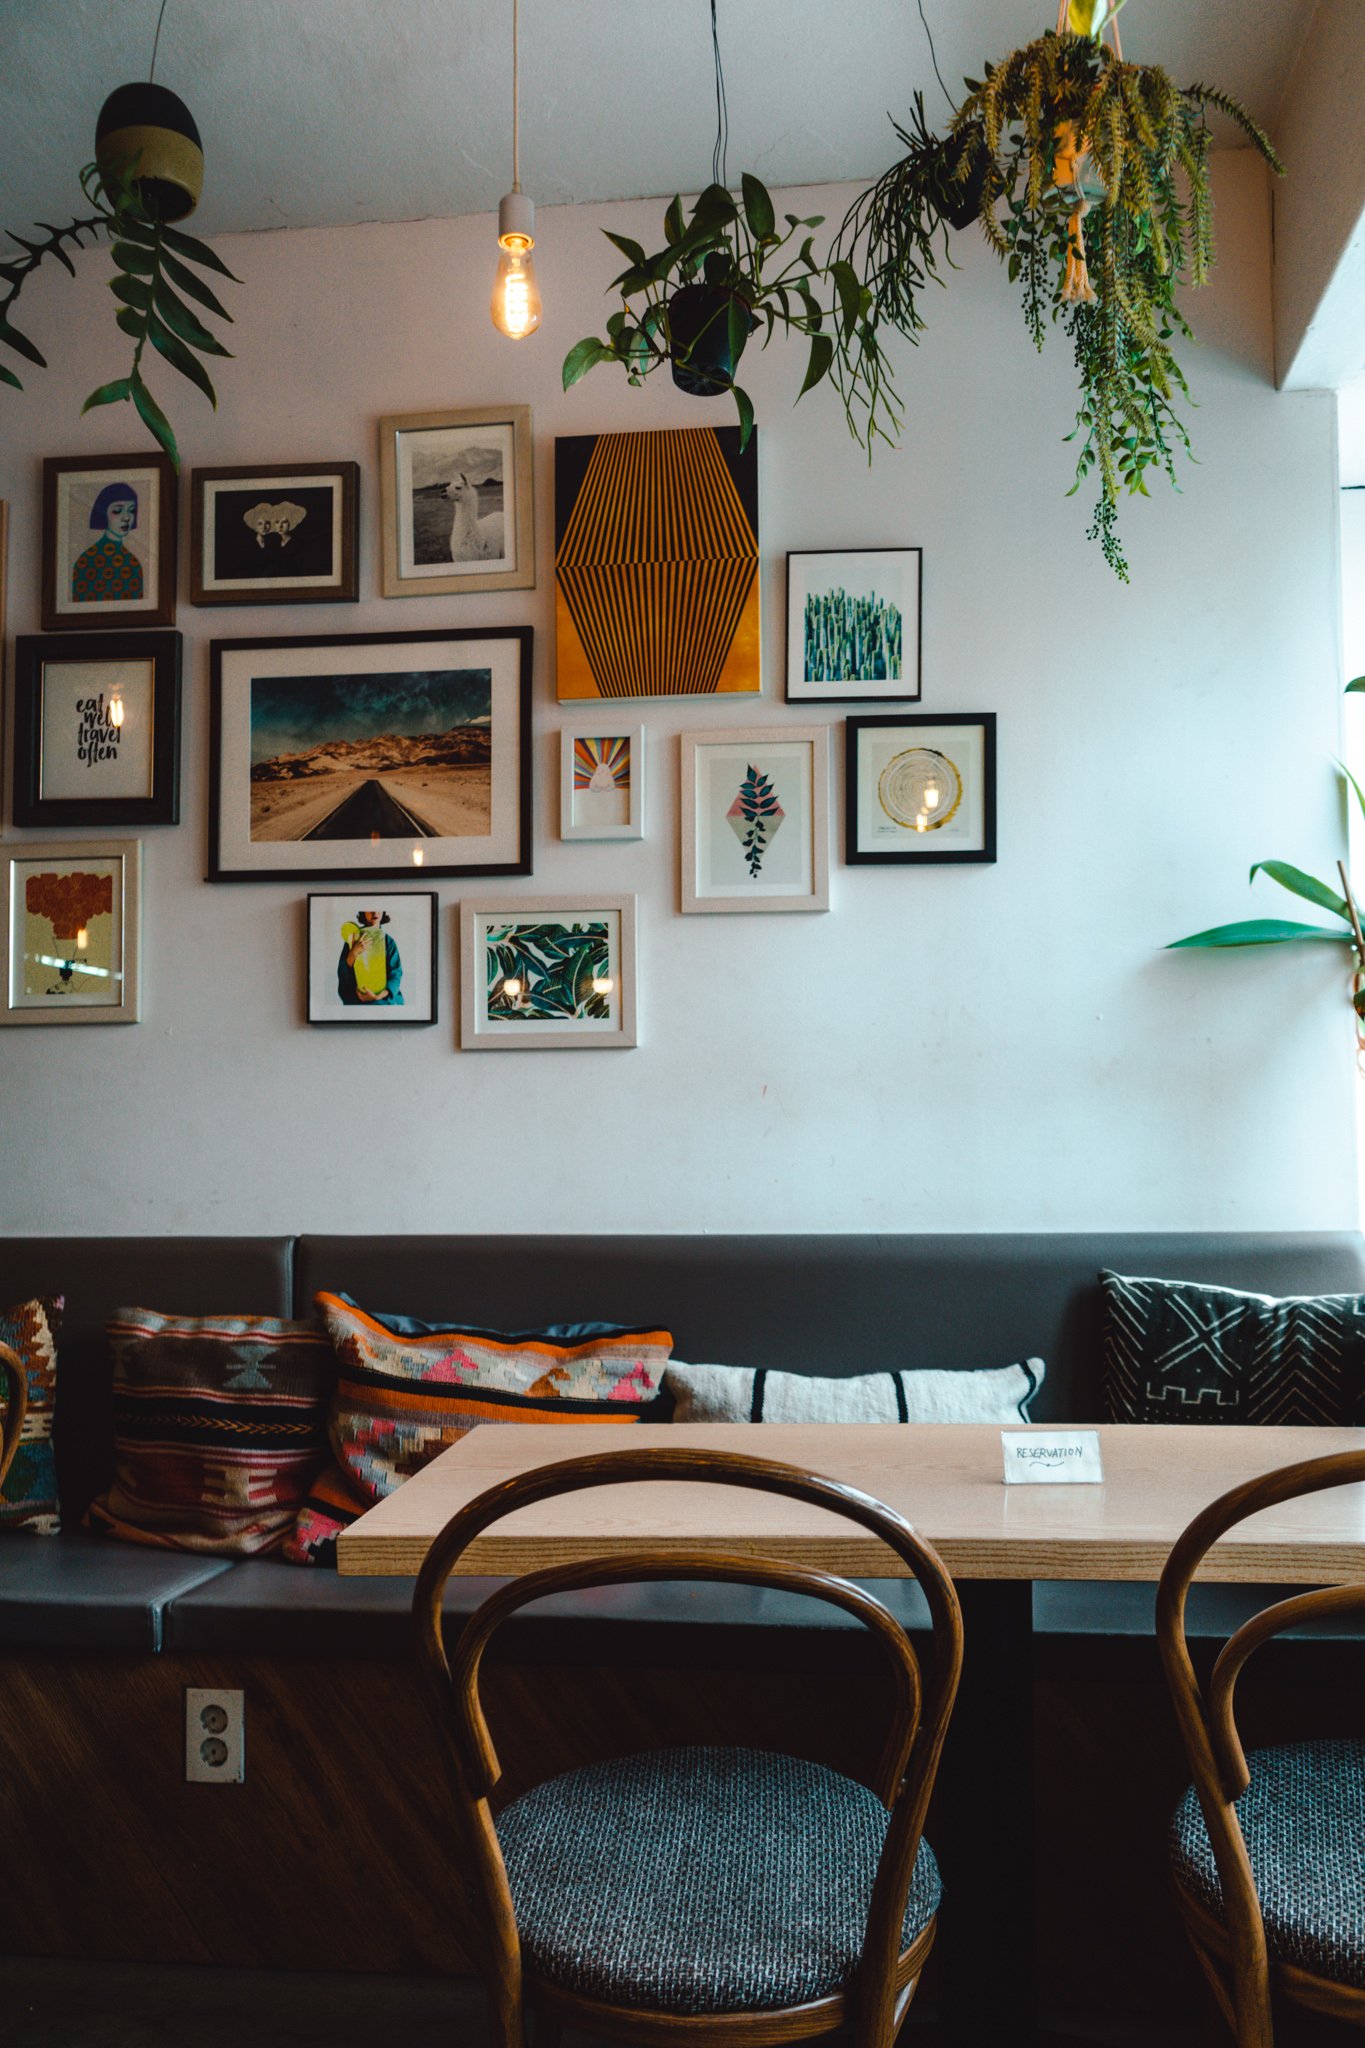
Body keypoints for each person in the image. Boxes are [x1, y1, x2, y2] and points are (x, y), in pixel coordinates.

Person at [70, 483, 144, 604]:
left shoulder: (133, 563)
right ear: (103, 512)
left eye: (131, 510)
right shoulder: (86, 560)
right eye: (117, 511)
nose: (126, 517)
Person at [337, 909, 403, 1005]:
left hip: (384, 997)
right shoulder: (353, 939)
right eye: (370, 908)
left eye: (378, 907)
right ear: (362, 911)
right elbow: (343, 974)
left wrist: (378, 996)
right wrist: (353, 953)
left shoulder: (388, 941)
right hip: (357, 996)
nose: (374, 912)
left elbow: (396, 974)